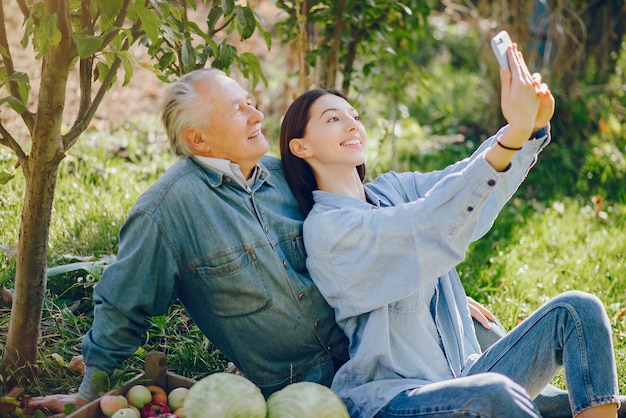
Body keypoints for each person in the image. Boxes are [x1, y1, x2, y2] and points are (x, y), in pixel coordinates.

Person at [29, 68, 619, 418]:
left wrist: (528, 132)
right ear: (198, 136)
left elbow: (433, 202)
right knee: (497, 398)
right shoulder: (171, 209)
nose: (257, 111)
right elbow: (122, 302)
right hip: (320, 393)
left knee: (579, 356)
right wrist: (90, 392)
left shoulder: (290, 182)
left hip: (396, 354)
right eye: (239, 108)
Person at [279, 42, 620, 418]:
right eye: (332, 119)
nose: (352, 124)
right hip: (398, 399)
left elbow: (465, 184)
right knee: (494, 394)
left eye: (354, 115)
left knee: (578, 310)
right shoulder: (327, 230)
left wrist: (527, 130)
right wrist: (512, 135)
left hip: (468, 375)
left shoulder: (393, 189)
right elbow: (427, 225)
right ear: (301, 147)